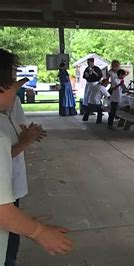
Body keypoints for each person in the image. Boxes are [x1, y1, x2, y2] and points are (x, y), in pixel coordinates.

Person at [0, 48, 73, 263]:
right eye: (12, 80)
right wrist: (38, 231)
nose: (17, 86)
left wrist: (21, 221)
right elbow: (2, 212)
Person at [0, 95, 46, 266]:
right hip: (4, 190)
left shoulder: (11, 105)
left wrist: (30, 135)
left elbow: (20, 129)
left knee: (11, 238)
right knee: (8, 233)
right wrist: (39, 232)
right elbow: (3, 213)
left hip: (12, 183)